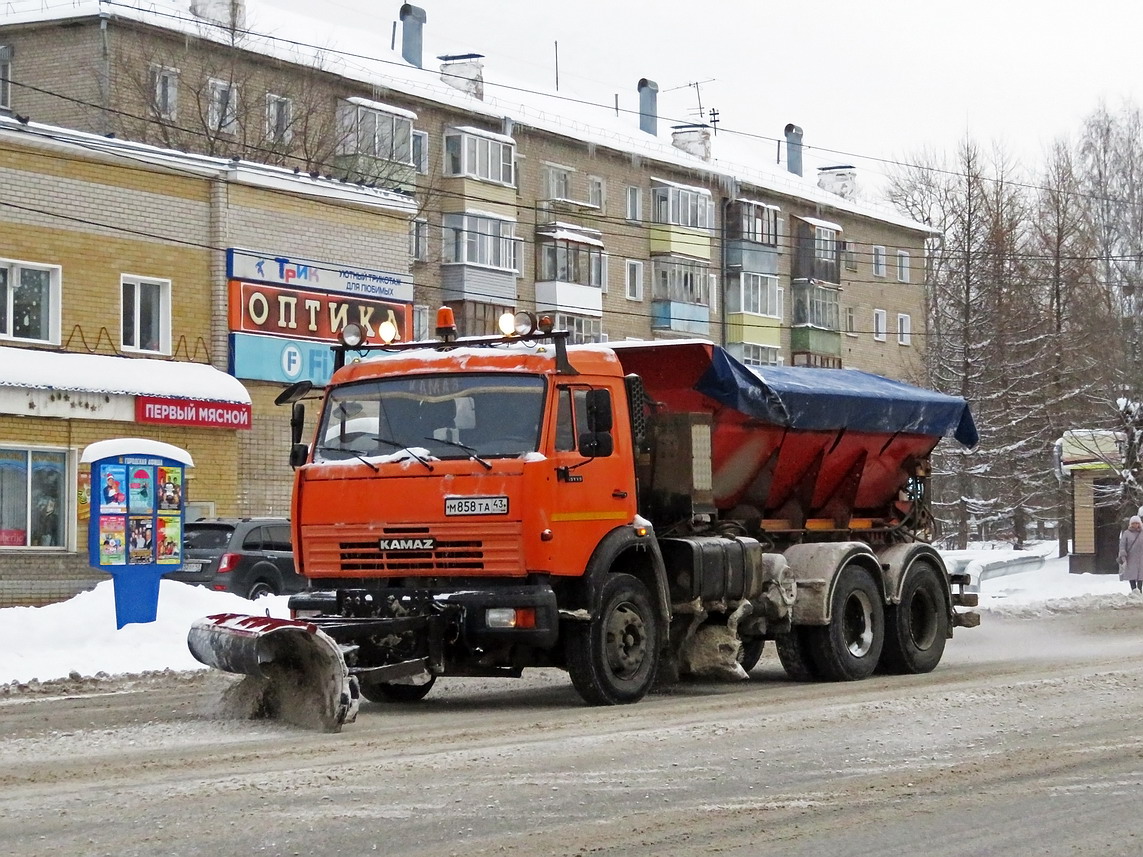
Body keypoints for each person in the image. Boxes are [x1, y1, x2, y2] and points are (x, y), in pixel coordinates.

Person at [1118, 515, 1143, 593]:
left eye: (1137, 523)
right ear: (1130, 524)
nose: (1135, 525)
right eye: (1133, 523)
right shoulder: (1126, 533)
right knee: (1131, 575)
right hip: (1130, 558)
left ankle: (1139, 590)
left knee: (1141, 575)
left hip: (1141, 557)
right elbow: (1122, 545)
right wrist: (1123, 556)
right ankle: (1133, 590)